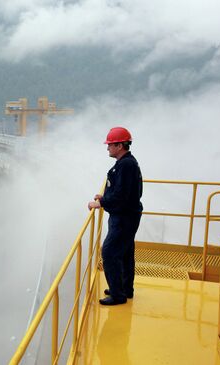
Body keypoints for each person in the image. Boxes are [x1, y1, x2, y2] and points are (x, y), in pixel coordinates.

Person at [88, 127, 143, 306]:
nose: (108, 148)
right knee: (125, 252)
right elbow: (123, 191)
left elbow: (122, 195)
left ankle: (118, 295)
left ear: (120, 145)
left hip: (124, 217)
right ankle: (125, 289)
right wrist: (105, 198)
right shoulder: (127, 163)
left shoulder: (126, 165)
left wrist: (101, 203)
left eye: (110, 145)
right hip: (128, 215)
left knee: (109, 252)